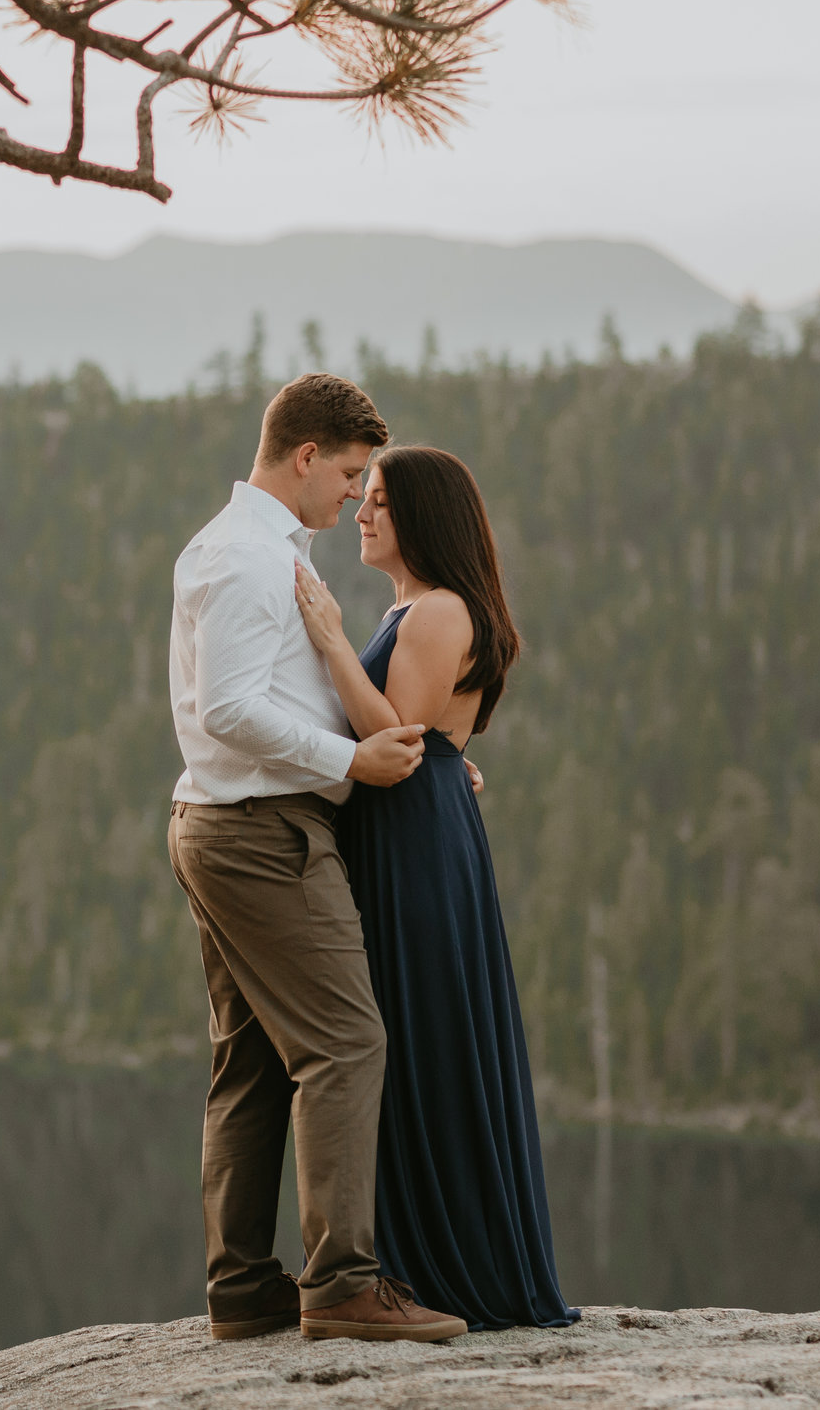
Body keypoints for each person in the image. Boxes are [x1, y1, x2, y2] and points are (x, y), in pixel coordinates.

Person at [165, 373, 468, 1345]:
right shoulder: (249, 560)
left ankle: (242, 1285)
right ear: (303, 456)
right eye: (345, 473)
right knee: (346, 1041)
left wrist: (436, 757)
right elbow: (228, 710)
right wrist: (352, 760)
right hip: (263, 831)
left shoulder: (241, 548)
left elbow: (269, 694)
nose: (352, 494)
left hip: (226, 823)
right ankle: (340, 1281)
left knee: (251, 1061)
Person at [292, 444, 577, 1331]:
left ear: (422, 516)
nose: (362, 512)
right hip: (415, 831)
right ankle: (410, 1261)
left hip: (411, 844)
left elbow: (399, 742)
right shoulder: (417, 608)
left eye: (377, 500)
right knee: (408, 1037)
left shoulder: (438, 611)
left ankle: (440, 1270)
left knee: (421, 1037)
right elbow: (428, 746)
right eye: (362, 495)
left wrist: (331, 639)